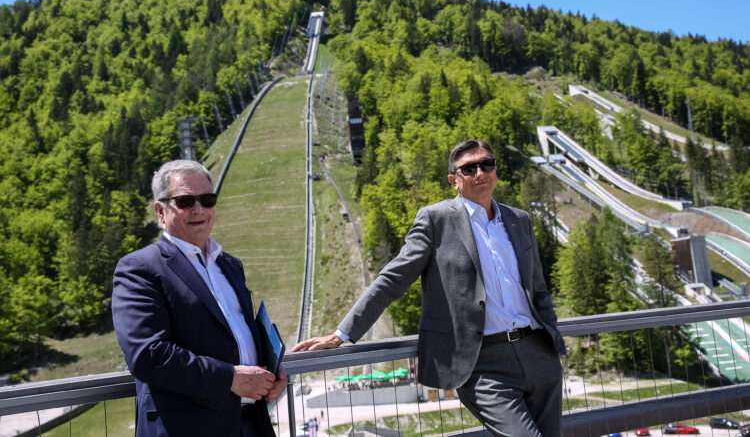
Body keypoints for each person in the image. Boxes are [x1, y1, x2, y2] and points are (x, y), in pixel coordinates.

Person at [292, 140, 566, 437]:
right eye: (469, 168)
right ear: (454, 180)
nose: (480, 172)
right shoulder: (436, 220)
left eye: (486, 164)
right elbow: (392, 279)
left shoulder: (518, 220)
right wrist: (341, 334)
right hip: (483, 364)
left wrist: (550, 339)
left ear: (496, 170)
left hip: (538, 354)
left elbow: (538, 289)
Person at [112, 159, 286, 437]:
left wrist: (270, 376)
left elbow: (237, 337)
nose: (198, 209)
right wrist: (230, 379)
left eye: (206, 199)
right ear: (160, 210)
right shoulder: (140, 268)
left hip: (249, 424)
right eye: (184, 201)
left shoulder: (230, 265)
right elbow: (147, 355)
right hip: (187, 428)